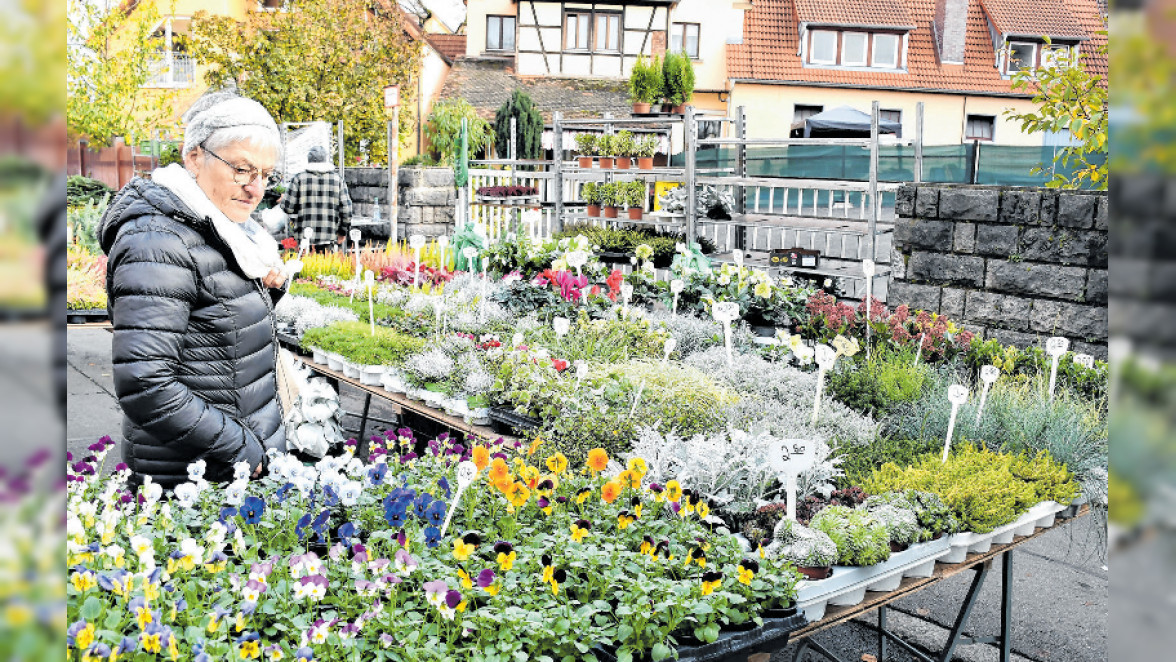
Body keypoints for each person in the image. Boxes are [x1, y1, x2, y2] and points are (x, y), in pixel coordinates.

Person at [97, 91, 290, 487]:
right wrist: (243, 451)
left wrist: (265, 291)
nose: (256, 189)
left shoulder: (222, 230)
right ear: (195, 156)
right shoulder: (158, 241)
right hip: (190, 476)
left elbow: (212, 331)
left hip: (229, 462)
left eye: (266, 175)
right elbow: (146, 384)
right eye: (242, 169)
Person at [280, 145, 354, 249]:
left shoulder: (298, 179)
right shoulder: (338, 180)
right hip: (330, 238)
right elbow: (347, 210)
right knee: (329, 265)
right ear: (325, 160)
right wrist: (342, 232)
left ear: (309, 160)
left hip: (304, 238)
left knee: (305, 265)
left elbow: (287, 208)